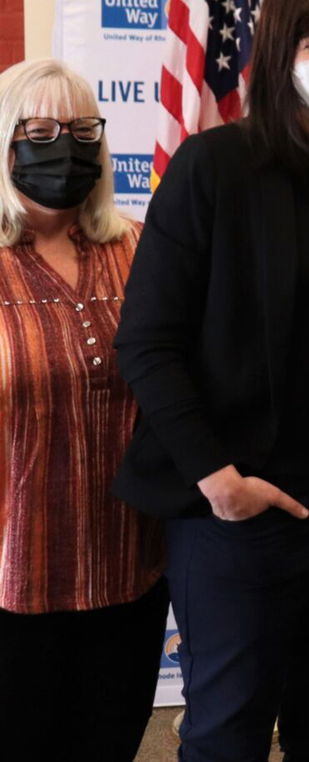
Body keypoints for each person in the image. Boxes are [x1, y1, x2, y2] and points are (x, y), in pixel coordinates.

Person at [114, 0, 309, 761]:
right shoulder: (214, 166)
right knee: (227, 731)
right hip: (241, 512)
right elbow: (147, 340)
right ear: (277, 55)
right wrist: (218, 479)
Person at [0, 61, 165, 762]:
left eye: (79, 130)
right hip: (15, 578)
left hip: (128, 568)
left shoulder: (141, 249)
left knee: (109, 744)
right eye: (38, 130)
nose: (61, 146)